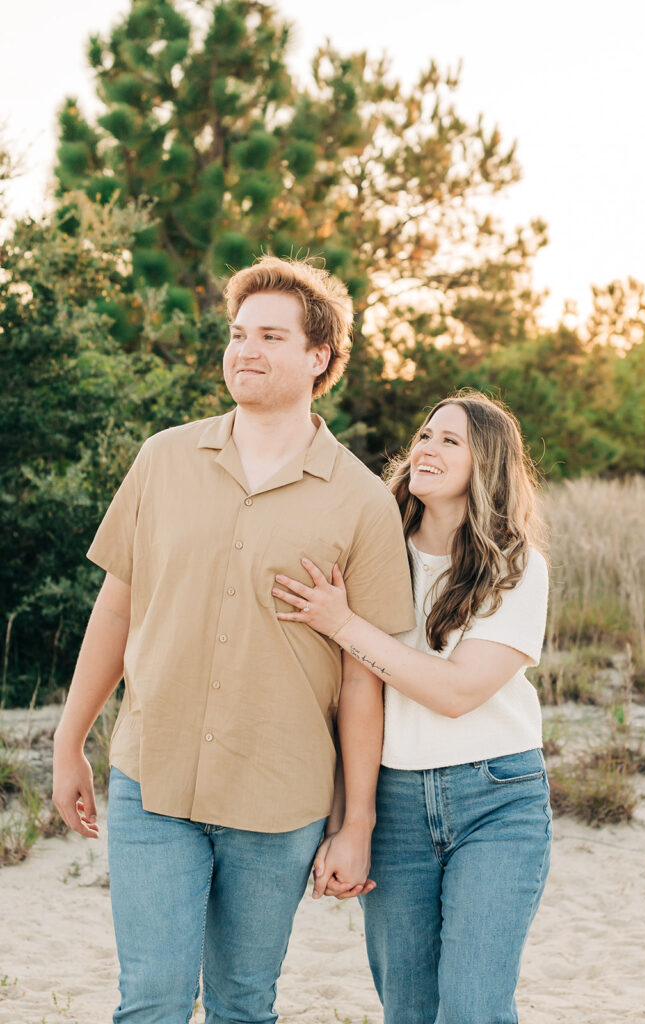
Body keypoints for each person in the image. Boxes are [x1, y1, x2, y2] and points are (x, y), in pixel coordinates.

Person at [51, 256, 415, 1024]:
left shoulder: (361, 501)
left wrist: (355, 824)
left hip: (279, 800)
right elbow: (115, 611)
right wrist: (68, 741)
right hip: (155, 780)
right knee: (148, 1000)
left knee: (243, 1005)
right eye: (237, 333)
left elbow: (362, 678)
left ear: (319, 357)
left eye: (270, 336)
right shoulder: (163, 458)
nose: (244, 350)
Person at [274, 391, 552, 1024]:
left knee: (473, 1007)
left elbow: (456, 693)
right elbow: (359, 693)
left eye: (451, 440)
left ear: (488, 464)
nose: (428, 448)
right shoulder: (377, 552)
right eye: (426, 436)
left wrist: (344, 624)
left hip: (498, 799)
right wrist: (352, 820)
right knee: (409, 1009)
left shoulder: (516, 567)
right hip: (394, 802)